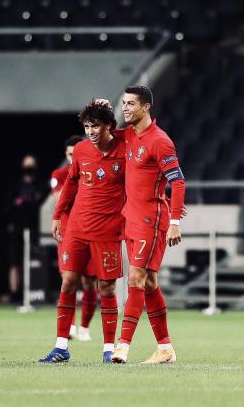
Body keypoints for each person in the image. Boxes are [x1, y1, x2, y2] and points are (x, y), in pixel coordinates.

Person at [39, 99, 126, 363]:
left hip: (108, 232)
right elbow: (72, 183)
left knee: (107, 289)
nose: (90, 131)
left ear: (109, 126)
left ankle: (109, 349)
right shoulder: (80, 151)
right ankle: (61, 346)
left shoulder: (126, 148)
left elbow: (136, 128)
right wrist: (56, 216)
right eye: (87, 126)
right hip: (77, 228)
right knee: (68, 282)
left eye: (96, 126)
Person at [111, 86, 185, 364]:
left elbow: (177, 181)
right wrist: (99, 113)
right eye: (123, 103)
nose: (126, 108)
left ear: (146, 107)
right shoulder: (129, 135)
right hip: (130, 218)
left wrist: (175, 220)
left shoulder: (160, 141)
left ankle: (123, 346)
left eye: (131, 104)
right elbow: (102, 137)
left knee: (136, 279)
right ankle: (165, 348)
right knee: (150, 282)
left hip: (150, 221)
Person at [51, 135, 98, 342]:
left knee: (90, 282)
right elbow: (59, 199)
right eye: (70, 154)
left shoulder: (91, 171)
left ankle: (84, 328)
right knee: (67, 279)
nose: (73, 157)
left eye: (75, 154)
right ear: (66, 154)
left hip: (91, 233)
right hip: (68, 233)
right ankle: (68, 326)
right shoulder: (60, 175)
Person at [4, 154, 46, 301]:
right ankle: (14, 293)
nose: (29, 169)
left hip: (34, 229)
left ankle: (32, 293)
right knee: (14, 261)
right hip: (16, 228)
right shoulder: (15, 185)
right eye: (26, 165)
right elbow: (9, 207)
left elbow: (39, 204)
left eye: (31, 165)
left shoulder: (40, 185)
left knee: (33, 260)